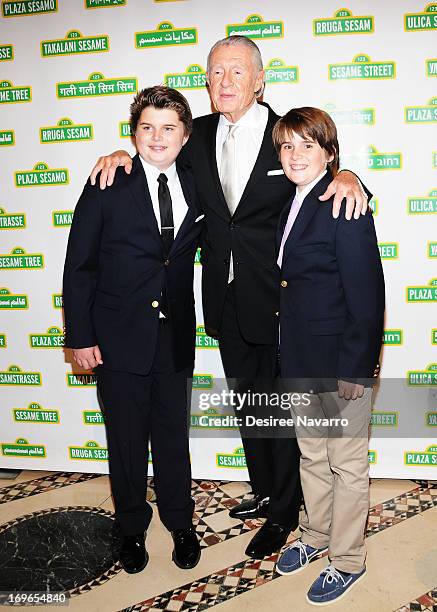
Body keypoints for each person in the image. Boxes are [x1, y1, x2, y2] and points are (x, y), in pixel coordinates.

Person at [89, 36, 372, 559]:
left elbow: (323, 175)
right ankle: (266, 492)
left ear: (259, 80)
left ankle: (288, 511)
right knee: (249, 408)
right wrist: (119, 156)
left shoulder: (285, 133)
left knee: (280, 415)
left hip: (278, 305)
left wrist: (352, 176)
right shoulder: (197, 136)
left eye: (237, 72)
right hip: (222, 301)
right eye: (216, 72)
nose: (225, 82)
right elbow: (157, 154)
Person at [63, 86, 203, 574]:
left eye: (168, 128)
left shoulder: (198, 180)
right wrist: (79, 337)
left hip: (175, 336)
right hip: (117, 336)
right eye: (147, 127)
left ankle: (180, 522)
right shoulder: (107, 181)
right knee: (125, 441)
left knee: (172, 437)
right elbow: (79, 265)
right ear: (133, 132)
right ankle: (130, 528)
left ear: (186, 136)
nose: (157, 137)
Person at [273, 107, 384, 605]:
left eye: (307, 146)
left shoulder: (345, 203)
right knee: (312, 457)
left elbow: (367, 294)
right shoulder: (290, 203)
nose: (296, 155)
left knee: (347, 465)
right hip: (298, 359)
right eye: (287, 146)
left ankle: (348, 560)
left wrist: (357, 368)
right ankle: (316, 536)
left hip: (340, 367)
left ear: (329, 153)